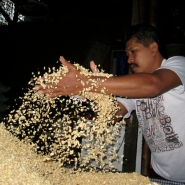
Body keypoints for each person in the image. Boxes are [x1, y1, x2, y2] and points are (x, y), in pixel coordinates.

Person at [35, 23, 185, 182]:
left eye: (133, 51)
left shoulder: (178, 65)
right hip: (160, 176)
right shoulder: (136, 88)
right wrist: (96, 96)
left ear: (153, 48)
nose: (129, 60)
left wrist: (88, 82)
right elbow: (113, 114)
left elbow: (154, 85)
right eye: (127, 54)